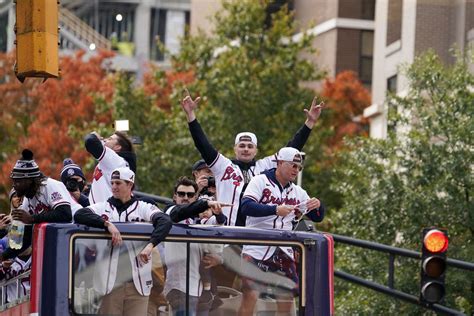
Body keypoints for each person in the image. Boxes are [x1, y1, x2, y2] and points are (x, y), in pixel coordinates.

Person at [181, 90, 323, 226]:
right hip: (227, 232)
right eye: (242, 145)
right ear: (235, 149)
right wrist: (190, 115)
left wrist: (309, 123)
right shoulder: (223, 166)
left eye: (250, 146)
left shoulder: (265, 166)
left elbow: (290, 151)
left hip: (256, 235)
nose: (246, 149)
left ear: (256, 151)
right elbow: (202, 144)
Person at [238, 147, 326, 316]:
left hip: (283, 250)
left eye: (298, 167)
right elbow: (245, 207)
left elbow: (317, 217)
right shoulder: (260, 181)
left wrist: (318, 205)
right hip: (257, 246)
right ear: (279, 163)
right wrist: (275, 209)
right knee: (251, 296)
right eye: (292, 165)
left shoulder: (297, 191)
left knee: (286, 298)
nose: (296, 170)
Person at [73, 167, 172, 316]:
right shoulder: (103, 207)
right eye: (112, 183)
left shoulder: (142, 208)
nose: (113, 187)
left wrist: (150, 245)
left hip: (138, 284)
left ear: (130, 185)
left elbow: (165, 221)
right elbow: (80, 214)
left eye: (118, 183)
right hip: (110, 285)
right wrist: (107, 224)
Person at [1, 149, 78, 262]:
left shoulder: (50, 185)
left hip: (80, 233)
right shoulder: (27, 201)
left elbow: (65, 214)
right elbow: (24, 241)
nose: (14, 185)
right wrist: (3, 256)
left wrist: (31, 218)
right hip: (64, 242)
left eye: (17, 181)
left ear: (28, 180)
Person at [163, 176, 225, 316]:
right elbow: (179, 213)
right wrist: (205, 203)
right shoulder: (169, 212)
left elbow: (219, 223)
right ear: (175, 196)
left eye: (190, 195)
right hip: (179, 286)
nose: (185, 197)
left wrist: (219, 212)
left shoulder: (196, 221)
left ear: (195, 197)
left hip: (199, 287)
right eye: (181, 194)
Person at [85, 131, 136, 204]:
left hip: (105, 213)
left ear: (117, 147)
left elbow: (90, 142)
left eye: (110, 139)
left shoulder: (116, 160)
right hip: (102, 211)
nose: (105, 139)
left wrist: (94, 135)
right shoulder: (112, 161)